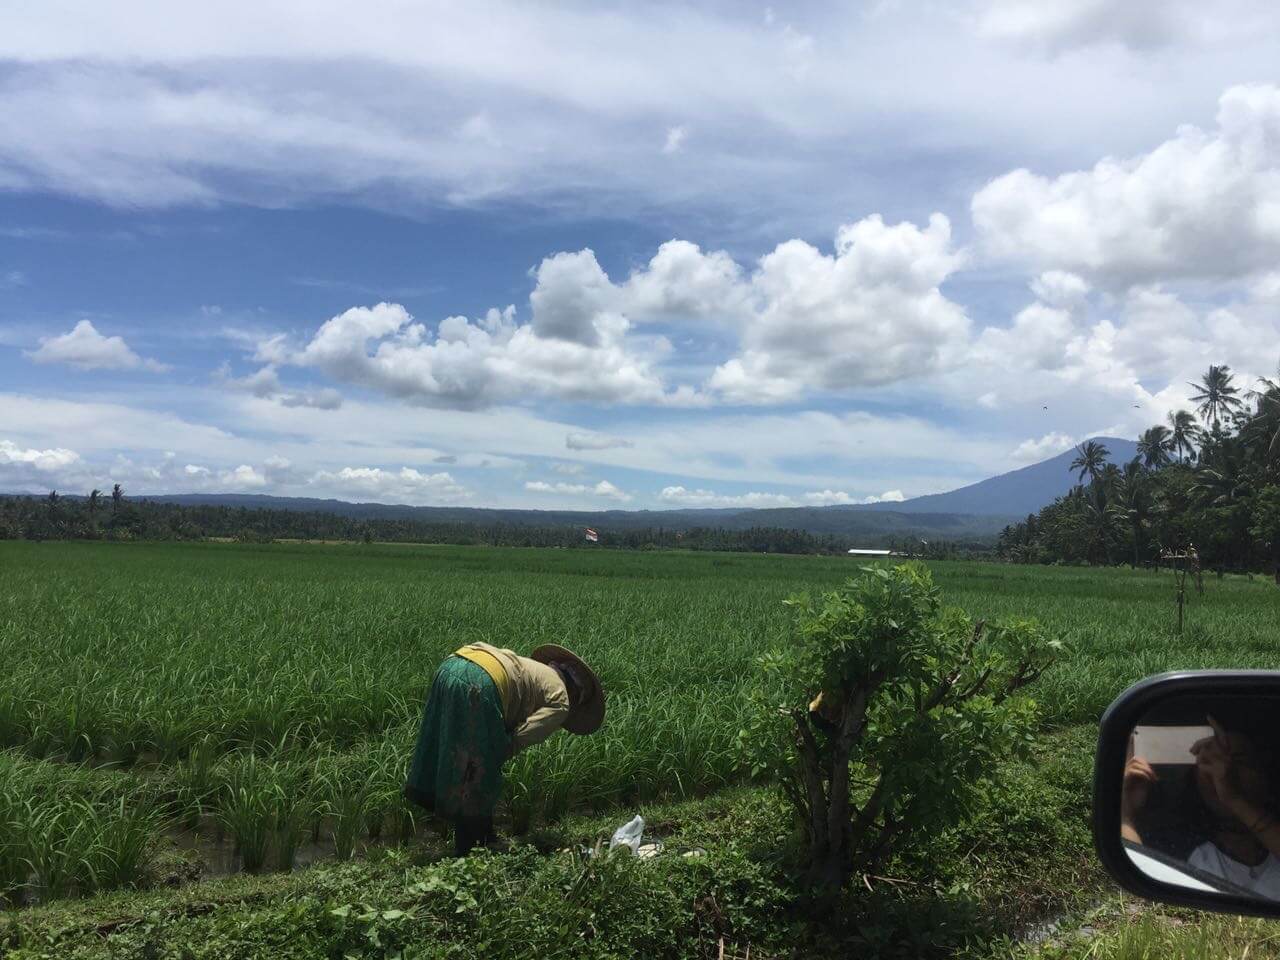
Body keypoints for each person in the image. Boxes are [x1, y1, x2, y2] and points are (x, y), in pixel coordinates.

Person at [404, 642, 605, 856]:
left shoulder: (536, 670)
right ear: (575, 693)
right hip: (479, 683)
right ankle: (470, 849)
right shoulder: (561, 699)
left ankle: (484, 836)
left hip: (452, 665)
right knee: (478, 770)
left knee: (446, 744)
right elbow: (527, 733)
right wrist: (501, 750)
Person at [1122, 716, 1280, 900]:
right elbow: (1142, 890)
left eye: (1239, 760)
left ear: (1266, 777)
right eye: (1210, 761)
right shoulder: (1175, 848)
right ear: (1195, 780)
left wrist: (1236, 800)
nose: (1224, 770)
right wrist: (1125, 815)